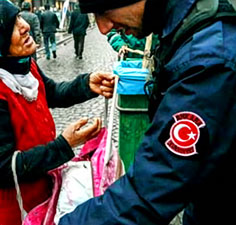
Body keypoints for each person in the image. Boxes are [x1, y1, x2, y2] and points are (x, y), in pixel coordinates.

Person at [59, 0, 236, 224]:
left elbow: (150, 190)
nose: (102, 28)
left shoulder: (208, 61)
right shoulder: (186, 28)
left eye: (103, 10)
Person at [0, 0, 115, 224]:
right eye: (11, 25)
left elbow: (50, 92)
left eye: (18, 18)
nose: (24, 26)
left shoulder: (19, 64)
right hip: (0, 213)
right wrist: (63, 145)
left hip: (34, 197)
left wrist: (85, 85)